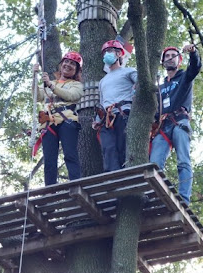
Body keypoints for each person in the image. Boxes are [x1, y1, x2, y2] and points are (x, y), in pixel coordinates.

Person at [149, 44, 202, 204]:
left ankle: (184, 199)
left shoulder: (185, 77)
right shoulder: (159, 87)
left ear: (179, 60)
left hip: (179, 122)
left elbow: (195, 67)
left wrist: (193, 53)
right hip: (163, 127)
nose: (170, 58)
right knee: (154, 165)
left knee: (183, 161)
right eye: (167, 56)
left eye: (173, 55)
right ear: (163, 62)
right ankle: (154, 198)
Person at [33, 52, 84, 185]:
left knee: (70, 154)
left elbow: (71, 96)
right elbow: (37, 96)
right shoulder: (50, 83)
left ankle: (76, 184)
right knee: (49, 160)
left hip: (66, 120)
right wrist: (34, 76)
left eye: (72, 64)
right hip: (48, 123)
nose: (68, 65)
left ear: (76, 70)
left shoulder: (76, 85)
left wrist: (51, 86)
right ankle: (50, 190)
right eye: (66, 62)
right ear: (61, 65)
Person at [95, 40, 138, 171]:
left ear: (119, 53)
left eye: (109, 51)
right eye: (104, 53)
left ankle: (126, 176)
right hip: (107, 118)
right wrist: (97, 120)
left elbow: (142, 84)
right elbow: (102, 102)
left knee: (123, 147)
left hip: (123, 112)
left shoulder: (129, 71)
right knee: (108, 149)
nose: (106, 55)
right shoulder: (102, 81)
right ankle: (113, 177)